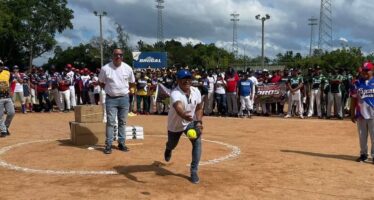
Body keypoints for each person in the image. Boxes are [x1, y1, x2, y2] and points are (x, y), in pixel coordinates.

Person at [164, 69, 203, 184]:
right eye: (183, 79)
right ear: (178, 80)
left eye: (188, 78)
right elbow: (178, 107)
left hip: (190, 123)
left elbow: (199, 107)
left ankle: (194, 171)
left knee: (197, 142)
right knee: (172, 144)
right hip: (175, 125)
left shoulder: (196, 91)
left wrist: (199, 122)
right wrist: (183, 115)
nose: (186, 81)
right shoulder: (175, 93)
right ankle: (168, 148)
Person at [98, 48, 135, 154]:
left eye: (120, 55)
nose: (118, 57)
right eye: (116, 55)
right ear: (112, 56)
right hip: (111, 99)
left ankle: (121, 143)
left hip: (124, 98)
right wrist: (107, 89)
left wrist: (127, 91)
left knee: (122, 122)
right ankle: (108, 145)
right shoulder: (105, 68)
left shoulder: (128, 68)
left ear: (123, 56)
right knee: (110, 122)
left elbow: (132, 82)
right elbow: (100, 82)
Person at [350, 62, 374, 162]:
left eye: (367, 70)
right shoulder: (357, 83)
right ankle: (363, 154)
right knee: (362, 136)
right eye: (363, 70)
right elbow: (353, 99)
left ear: (372, 71)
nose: (364, 72)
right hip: (361, 114)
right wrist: (352, 113)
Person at [0, 60, 15, 137]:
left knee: (11, 113)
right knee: (0, 115)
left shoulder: (7, 73)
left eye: (1, 65)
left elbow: (11, 80)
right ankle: (3, 131)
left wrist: (9, 90)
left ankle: (5, 127)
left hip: (7, 97)